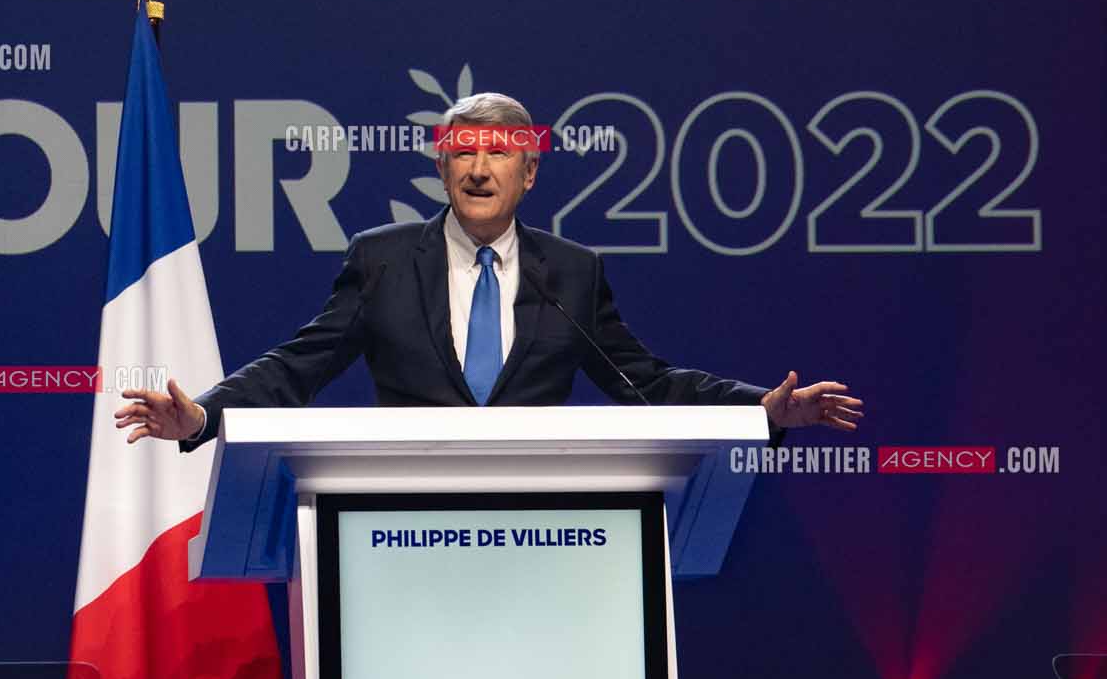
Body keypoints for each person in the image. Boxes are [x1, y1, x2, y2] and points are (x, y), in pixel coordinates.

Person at [114, 92, 862, 449]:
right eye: (462, 153)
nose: (478, 168)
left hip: (539, 520)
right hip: (398, 519)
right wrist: (206, 415)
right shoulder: (381, 261)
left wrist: (757, 411)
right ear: (440, 167)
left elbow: (648, 383)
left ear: (528, 173)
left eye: (498, 153)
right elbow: (295, 368)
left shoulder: (569, 272)